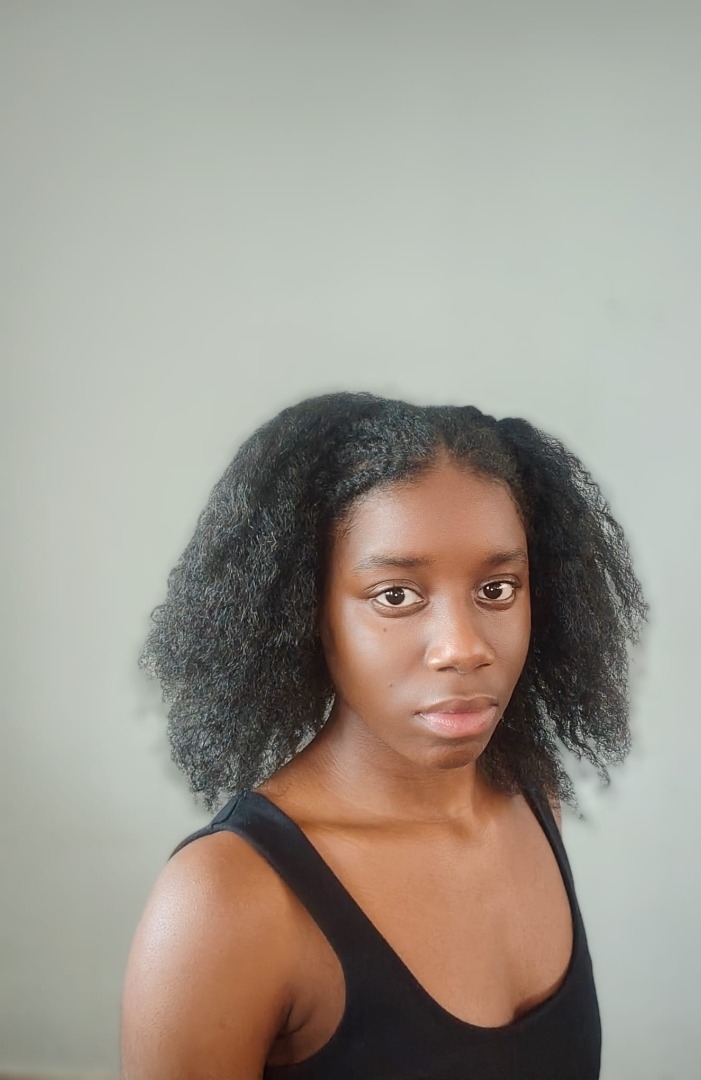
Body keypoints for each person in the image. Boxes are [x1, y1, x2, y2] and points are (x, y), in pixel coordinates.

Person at [120, 392, 649, 1079]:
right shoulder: (229, 898)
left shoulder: (531, 798)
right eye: (396, 595)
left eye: (497, 589)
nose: (463, 647)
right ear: (308, 612)